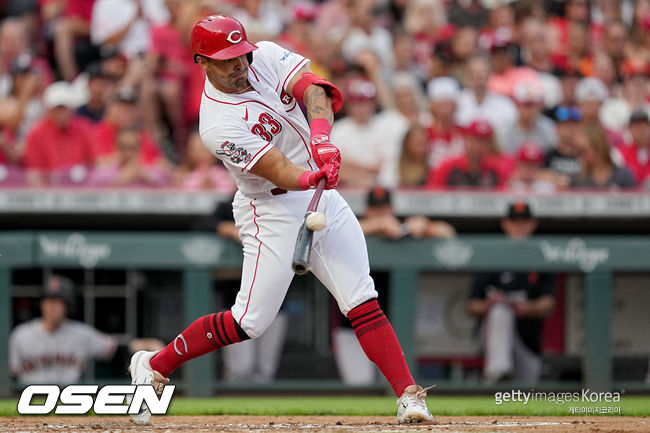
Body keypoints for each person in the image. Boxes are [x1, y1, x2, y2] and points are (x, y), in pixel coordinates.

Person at [127, 15, 434, 425]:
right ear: (202, 62)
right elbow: (279, 170)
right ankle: (155, 364)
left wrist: (322, 137)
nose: (239, 65)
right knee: (249, 321)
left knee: (361, 298)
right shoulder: (216, 124)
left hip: (322, 196)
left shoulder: (266, 56)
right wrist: (312, 173)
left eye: (241, 55)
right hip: (269, 207)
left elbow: (315, 90)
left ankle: (409, 395)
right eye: (227, 60)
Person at [9, 275, 162, 384]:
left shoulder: (81, 334)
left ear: (67, 306)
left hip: (66, 400)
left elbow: (117, 349)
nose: (52, 307)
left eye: (58, 302)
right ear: (41, 304)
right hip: (27, 399)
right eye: (48, 301)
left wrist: (147, 343)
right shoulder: (20, 335)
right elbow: (11, 377)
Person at [466, 202, 556, 384]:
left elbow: (549, 303)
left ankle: (500, 373)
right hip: (493, 336)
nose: (520, 226)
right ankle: (498, 370)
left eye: (524, 221)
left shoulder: (542, 255)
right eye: (515, 221)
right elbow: (471, 305)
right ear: (505, 223)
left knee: (528, 393)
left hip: (527, 336)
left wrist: (527, 307)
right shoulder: (492, 256)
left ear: (533, 223)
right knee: (500, 311)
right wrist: (490, 305)